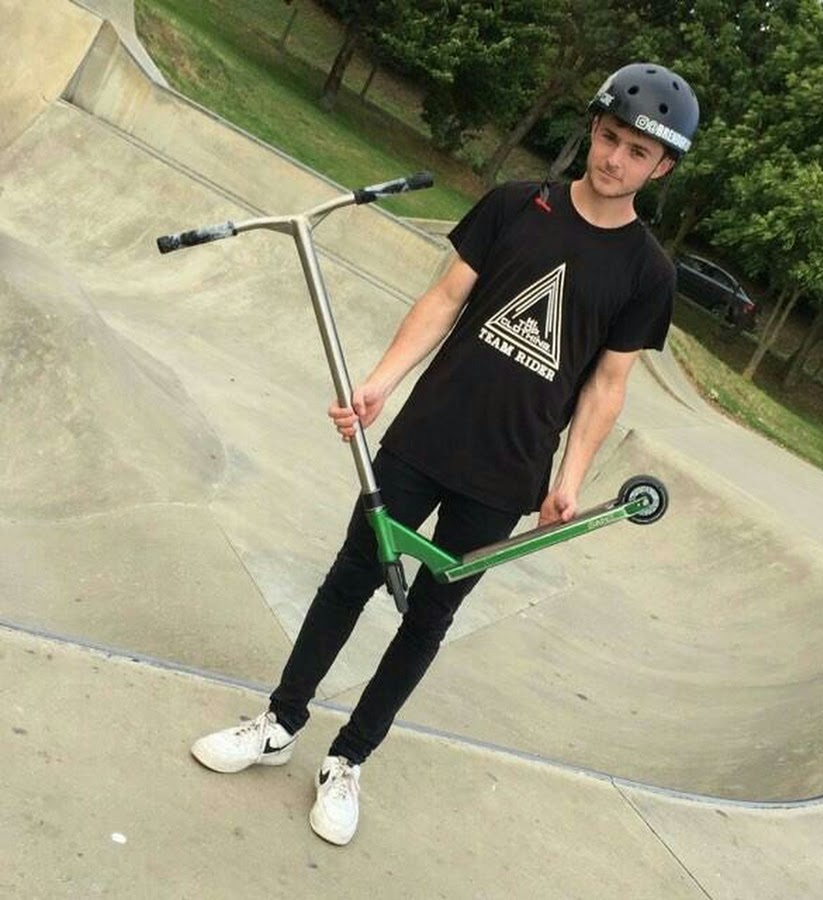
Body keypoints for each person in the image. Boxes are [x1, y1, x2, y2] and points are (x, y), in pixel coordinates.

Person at [191, 62, 700, 846]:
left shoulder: (648, 273)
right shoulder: (514, 205)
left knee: (430, 616)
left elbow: (607, 385)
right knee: (351, 576)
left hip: (507, 474)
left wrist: (568, 481)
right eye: (609, 138)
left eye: (638, 152)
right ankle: (279, 722)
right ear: (593, 130)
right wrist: (379, 383)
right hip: (426, 435)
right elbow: (443, 299)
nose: (614, 159)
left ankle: (349, 760)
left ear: (661, 167)